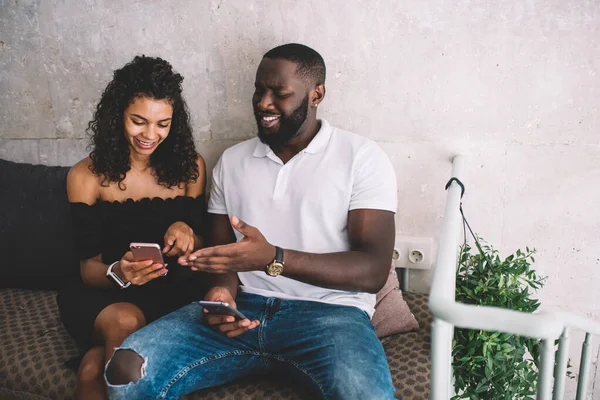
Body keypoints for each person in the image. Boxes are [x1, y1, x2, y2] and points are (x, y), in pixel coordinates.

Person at [105, 43, 398, 400]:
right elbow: (220, 255)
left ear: (316, 94)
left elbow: (372, 271)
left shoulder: (361, 158)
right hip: (242, 309)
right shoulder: (232, 162)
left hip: (331, 317)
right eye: (259, 89)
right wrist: (221, 294)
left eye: (280, 93)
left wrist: (273, 258)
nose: (263, 102)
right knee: (126, 371)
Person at [57, 55, 209, 400]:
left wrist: (187, 231)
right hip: (104, 294)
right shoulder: (86, 176)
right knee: (125, 321)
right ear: (117, 117)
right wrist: (121, 273)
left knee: (93, 372)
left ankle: (96, 360)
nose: (150, 135)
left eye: (163, 124)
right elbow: (87, 270)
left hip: (172, 292)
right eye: (138, 121)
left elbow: (201, 244)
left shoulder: (191, 168)